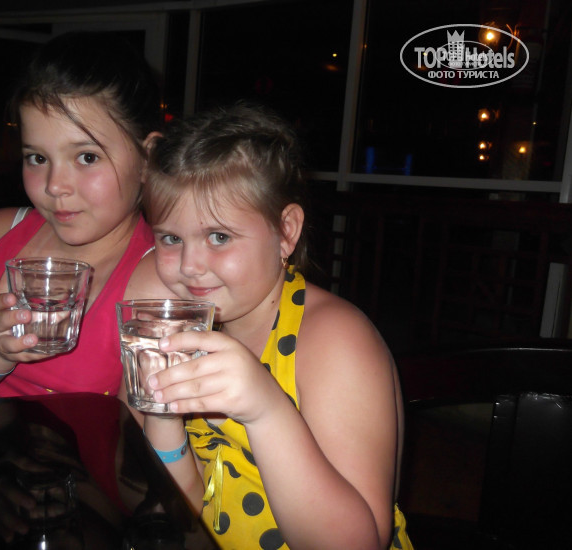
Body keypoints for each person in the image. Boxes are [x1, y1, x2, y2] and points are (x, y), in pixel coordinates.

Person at [139, 102, 414, 549]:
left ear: (286, 232)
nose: (189, 266)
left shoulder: (336, 341)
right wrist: (160, 414)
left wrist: (266, 409)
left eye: (219, 237)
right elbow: (183, 507)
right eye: (171, 238)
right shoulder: (196, 324)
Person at [0, 32, 171, 404]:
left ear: (147, 158)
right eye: (37, 158)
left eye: (86, 157)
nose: (54, 186)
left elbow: (134, 435)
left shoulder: (161, 278)